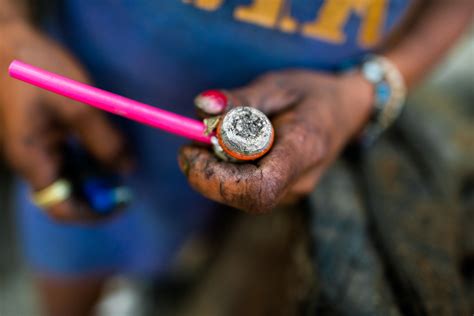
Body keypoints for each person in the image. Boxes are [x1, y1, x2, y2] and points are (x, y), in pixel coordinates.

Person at [0, 1, 472, 315]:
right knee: (69, 272)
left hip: (295, 149)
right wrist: (8, 29)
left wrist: (366, 89)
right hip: (81, 116)